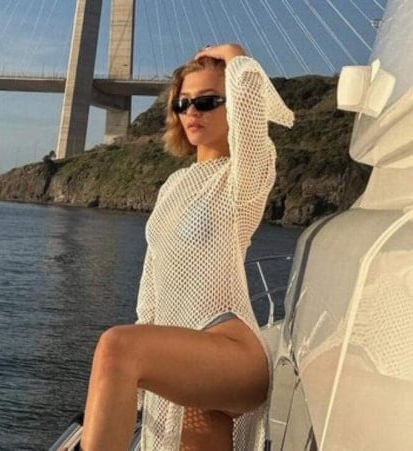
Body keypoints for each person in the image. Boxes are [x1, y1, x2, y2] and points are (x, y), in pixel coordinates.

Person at [79, 43, 294, 451]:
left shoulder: (242, 178)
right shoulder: (173, 186)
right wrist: (132, 388)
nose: (193, 111)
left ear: (234, 107)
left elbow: (253, 119)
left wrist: (234, 54)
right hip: (185, 356)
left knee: (115, 346)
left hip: (232, 353)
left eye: (208, 101)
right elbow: (151, 292)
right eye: (184, 103)